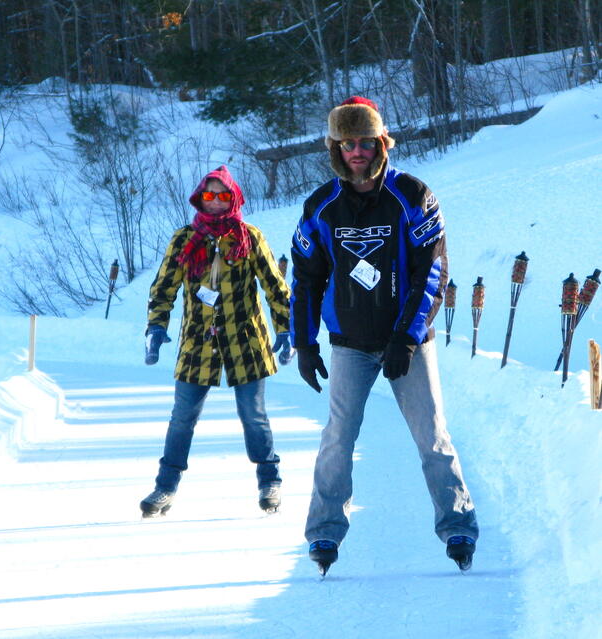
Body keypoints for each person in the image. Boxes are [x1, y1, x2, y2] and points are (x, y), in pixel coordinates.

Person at [290, 96, 479, 575]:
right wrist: (305, 344)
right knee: (337, 438)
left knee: (432, 438)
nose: (357, 150)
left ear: (381, 143)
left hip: (408, 344)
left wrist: (407, 338)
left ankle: (457, 526)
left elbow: (432, 272)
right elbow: (306, 280)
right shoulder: (320, 206)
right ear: (336, 147)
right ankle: (324, 533)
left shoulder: (413, 196)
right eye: (347, 142)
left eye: (365, 142)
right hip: (349, 345)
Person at [141, 165, 293, 518]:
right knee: (182, 418)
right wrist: (155, 326)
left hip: (245, 340)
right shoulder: (184, 239)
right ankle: (165, 487)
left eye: (222, 195)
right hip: (198, 342)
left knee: (253, 415)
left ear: (233, 197)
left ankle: (269, 481)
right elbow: (163, 288)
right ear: (199, 197)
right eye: (208, 195)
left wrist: (286, 328)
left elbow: (275, 286)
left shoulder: (248, 236)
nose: (214, 202)